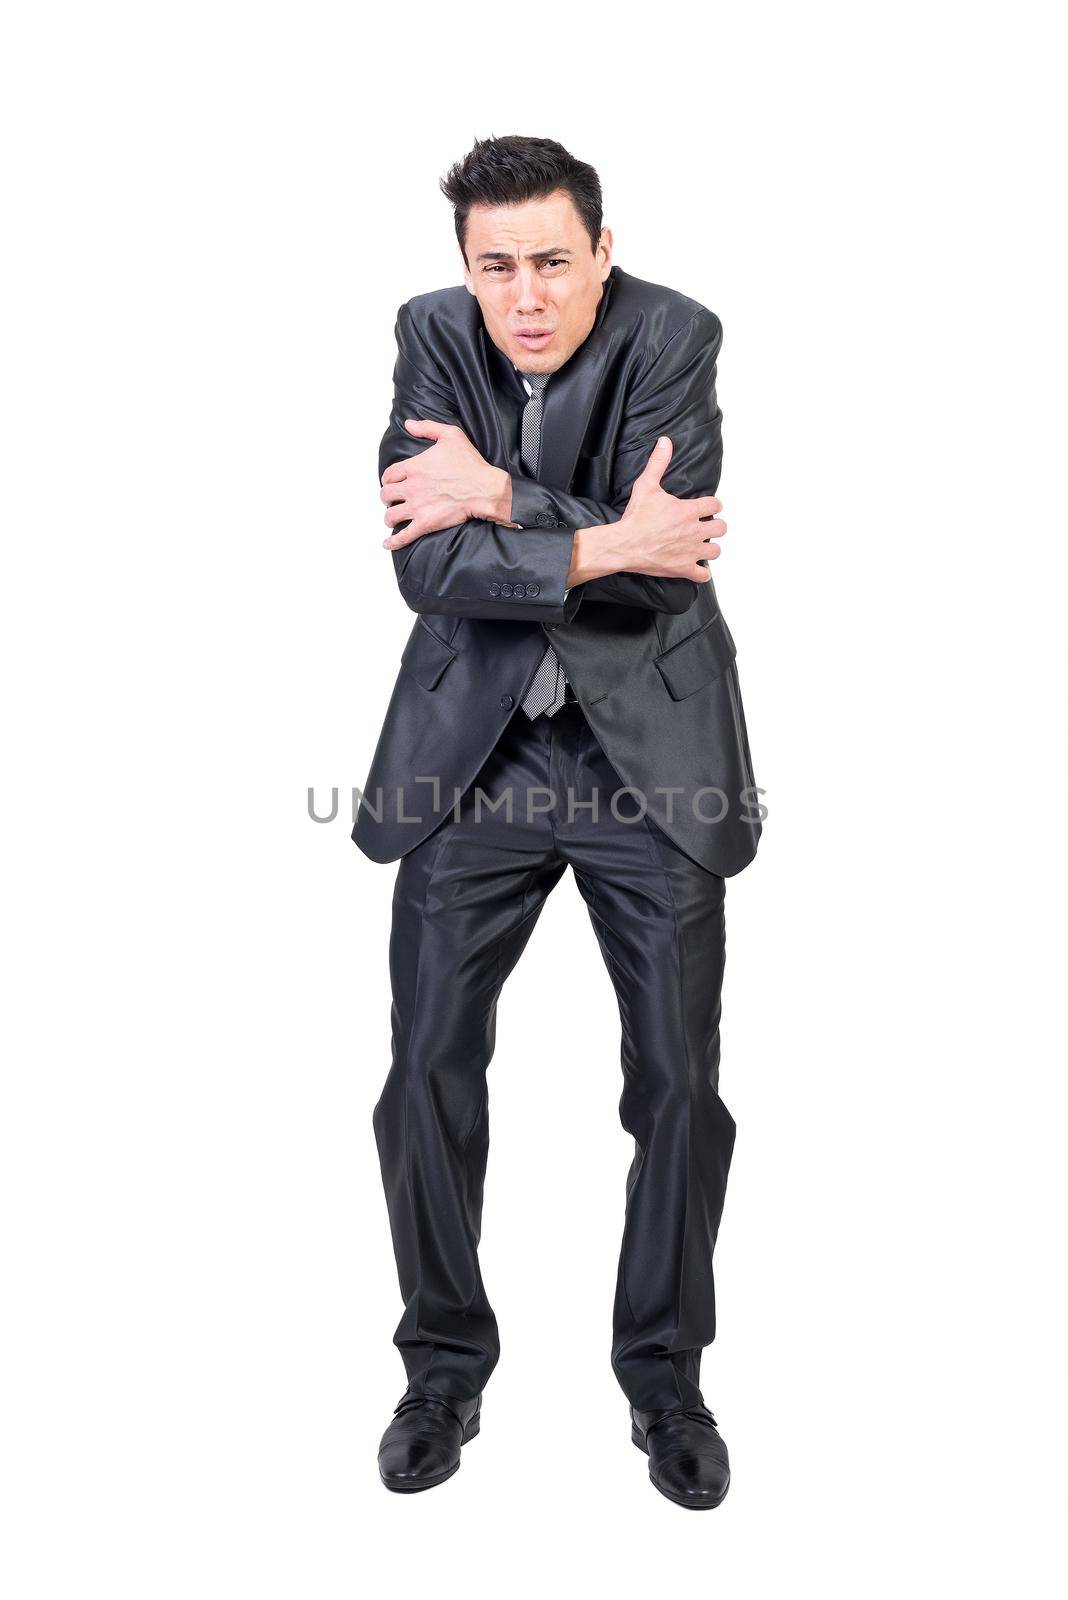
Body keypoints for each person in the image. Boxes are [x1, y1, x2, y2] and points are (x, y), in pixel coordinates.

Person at [352, 135, 761, 1508]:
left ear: (599, 247)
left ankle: (665, 1379)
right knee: (424, 1076)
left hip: (649, 761)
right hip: (476, 759)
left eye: (550, 262)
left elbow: (670, 572)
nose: (523, 296)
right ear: (465, 269)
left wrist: (508, 499)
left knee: (679, 1093)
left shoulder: (673, 337)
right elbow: (428, 567)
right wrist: (593, 536)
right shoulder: (430, 336)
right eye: (494, 267)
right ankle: (442, 1367)